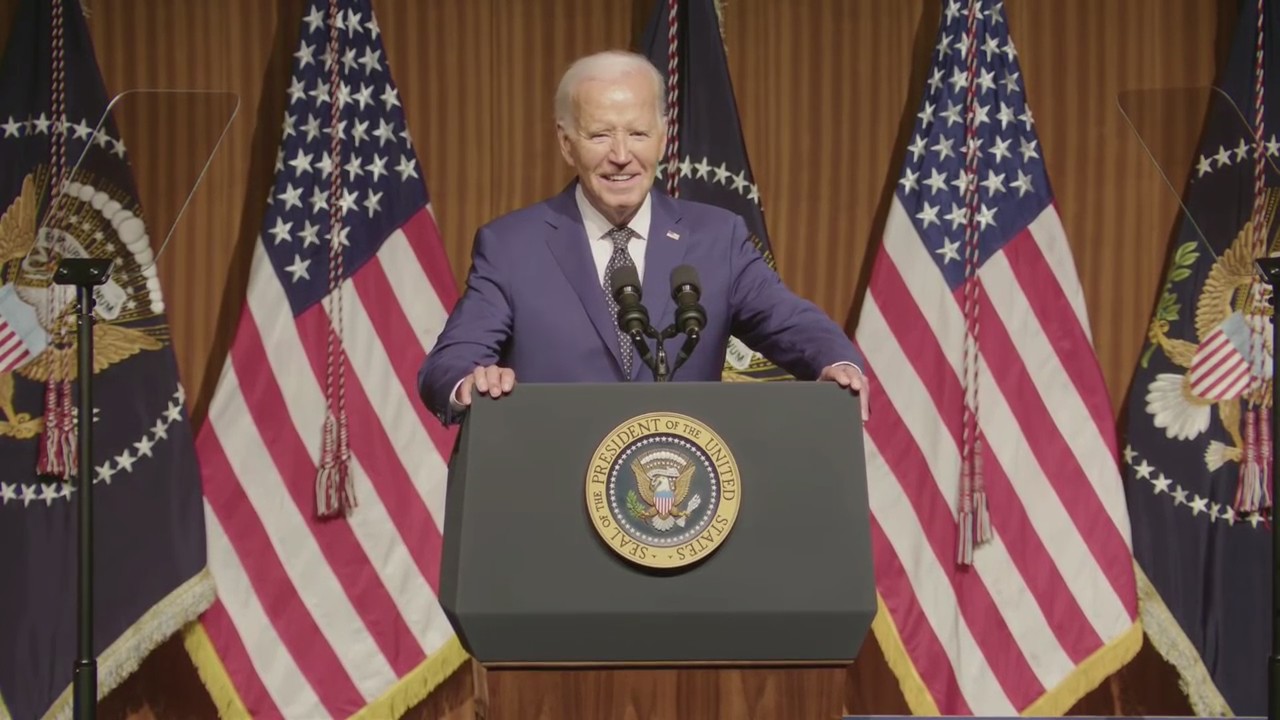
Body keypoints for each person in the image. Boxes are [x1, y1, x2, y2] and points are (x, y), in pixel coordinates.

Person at [417, 49, 868, 425]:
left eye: (637, 133)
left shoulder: (718, 238)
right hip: (553, 483)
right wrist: (470, 383)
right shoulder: (513, 246)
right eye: (600, 135)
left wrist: (837, 363)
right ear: (566, 142)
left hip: (680, 489)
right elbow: (449, 362)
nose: (621, 155)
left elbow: (789, 321)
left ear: (662, 138)